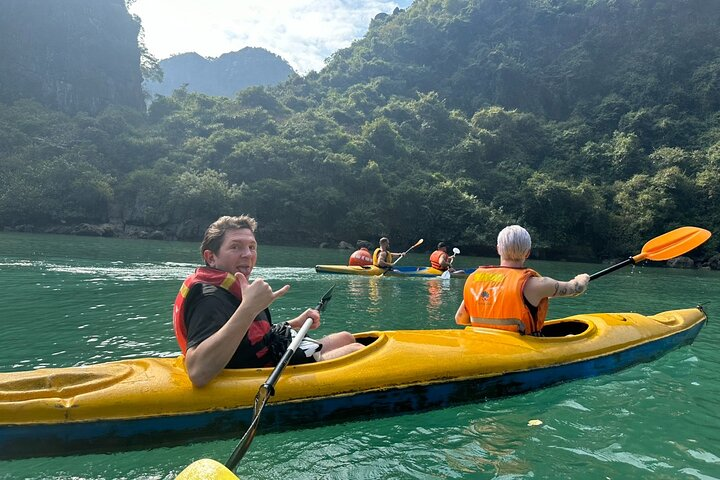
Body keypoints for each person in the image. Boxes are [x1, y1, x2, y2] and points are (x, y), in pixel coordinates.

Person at [173, 215, 364, 387]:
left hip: (271, 351)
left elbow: (249, 336)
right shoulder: (209, 297)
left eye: (251, 247)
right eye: (235, 246)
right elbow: (198, 373)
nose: (247, 254)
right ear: (211, 257)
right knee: (357, 350)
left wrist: (293, 323)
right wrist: (249, 307)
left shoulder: (229, 287)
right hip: (265, 370)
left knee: (346, 337)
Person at [455, 225, 590, 336]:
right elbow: (575, 288)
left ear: (498, 249)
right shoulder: (538, 285)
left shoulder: (474, 278)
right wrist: (583, 278)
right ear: (528, 252)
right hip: (521, 349)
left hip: (486, 344)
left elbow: (460, 319)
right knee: (570, 336)